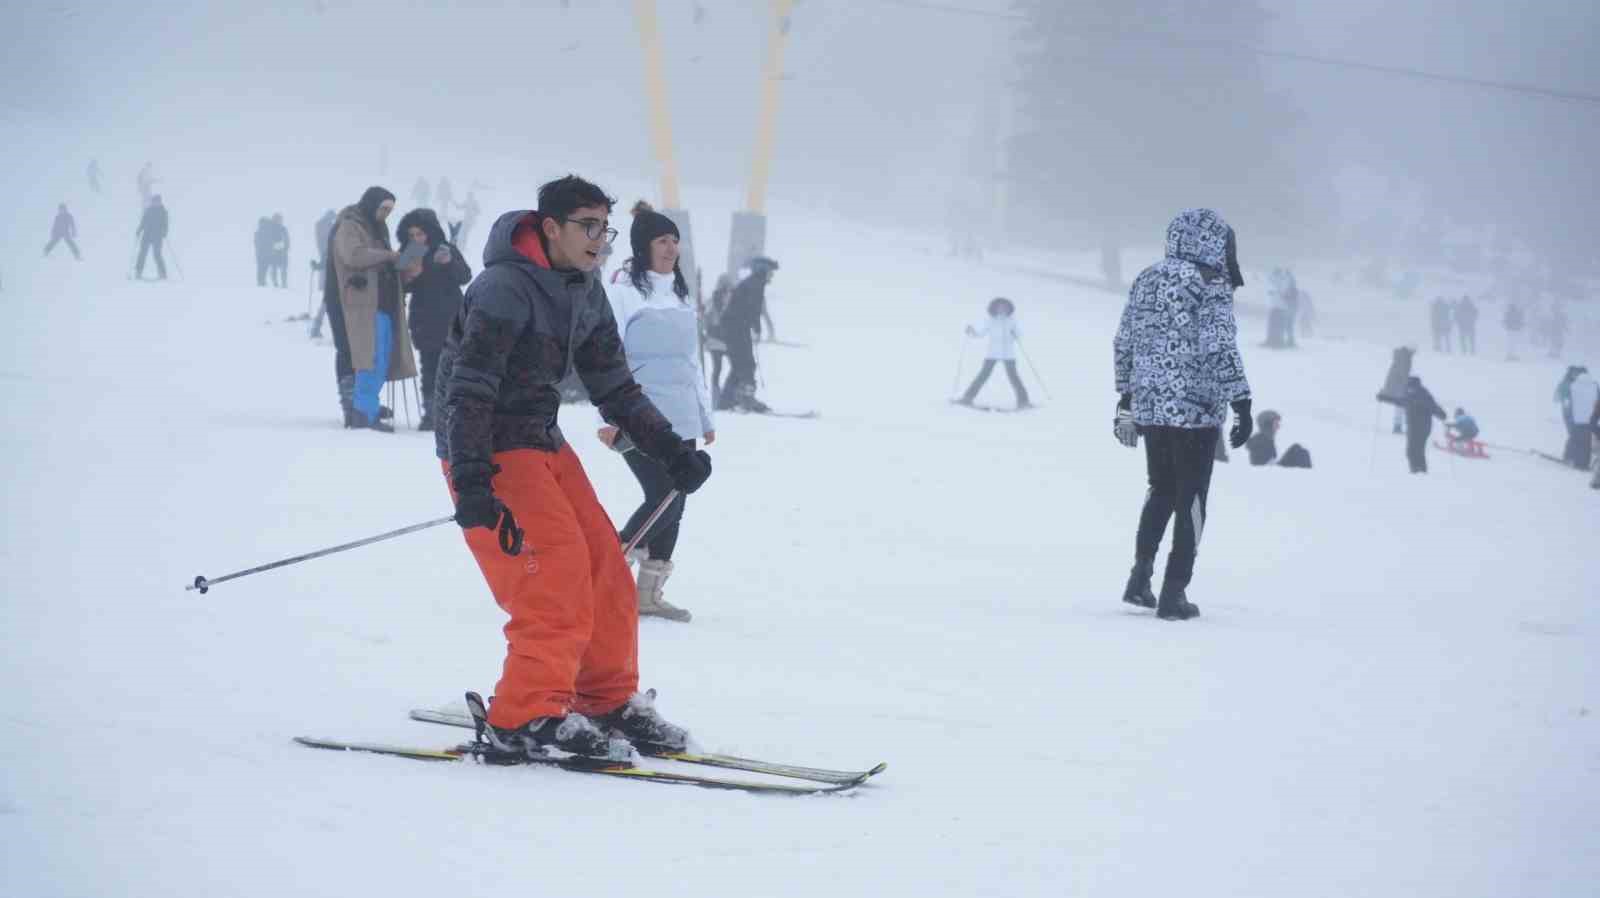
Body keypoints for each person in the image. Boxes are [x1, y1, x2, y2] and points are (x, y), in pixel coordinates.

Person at [435, 174, 712, 761]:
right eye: (588, 226)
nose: (599, 239)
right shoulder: (503, 289)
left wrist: (671, 450)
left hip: (540, 437)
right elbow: (469, 388)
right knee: (554, 572)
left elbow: (614, 385)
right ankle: (525, 714)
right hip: (486, 444)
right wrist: (472, 477)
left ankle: (604, 698)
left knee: (604, 563)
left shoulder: (584, 290)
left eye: (604, 228)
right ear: (551, 227)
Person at [1113, 208, 1252, 621]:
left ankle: (1140, 578)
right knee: (1192, 499)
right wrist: (1241, 401)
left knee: (1160, 489)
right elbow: (1218, 344)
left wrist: (1126, 398)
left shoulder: (1147, 277)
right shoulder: (1211, 282)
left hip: (1150, 407)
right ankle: (1174, 592)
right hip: (1196, 411)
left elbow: (1124, 340)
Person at [599, 201, 716, 623]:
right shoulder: (622, 293)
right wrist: (607, 418)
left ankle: (647, 595)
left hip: (682, 415)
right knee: (661, 494)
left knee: (676, 499)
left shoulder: (682, 296)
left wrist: (704, 417)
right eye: (662, 241)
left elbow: (692, 362)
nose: (671, 248)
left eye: (674, 240)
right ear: (643, 246)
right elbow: (605, 357)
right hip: (639, 414)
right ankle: (601, 576)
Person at [327, 186, 417, 431]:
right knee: (370, 358)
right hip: (364, 305)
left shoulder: (378, 228)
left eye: (390, 210)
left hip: (384, 303)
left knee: (382, 358)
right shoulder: (350, 225)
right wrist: (389, 255)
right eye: (383, 208)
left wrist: (405, 263)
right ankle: (363, 412)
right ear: (371, 203)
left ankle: (369, 406)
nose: (386, 213)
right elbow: (353, 255)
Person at [395, 207, 469, 431]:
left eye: (420, 233)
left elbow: (465, 275)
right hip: (423, 319)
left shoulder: (446, 248)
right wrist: (409, 276)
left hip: (451, 317)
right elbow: (399, 285)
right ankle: (432, 413)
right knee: (429, 366)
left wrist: (449, 263)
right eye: (411, 234)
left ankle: (450, 412)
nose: (416, 238)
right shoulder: (409, 252)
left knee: (452, 366)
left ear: (430, 231)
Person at [716, 256, 779, 412]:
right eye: (770, 272)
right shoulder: (755, 284)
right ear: (763, 270)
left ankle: (726, 401)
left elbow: (751, 309)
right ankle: (744, 398)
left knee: (740, 364)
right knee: (746, 364)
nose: (772, 275)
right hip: (736, 328)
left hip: (736, 328)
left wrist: (754, 328)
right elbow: (753, 308)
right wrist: (757, 329)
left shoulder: (753, 283)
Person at [956, 297, 1031, 409]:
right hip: (992, 353)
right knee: (982, 376)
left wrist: (1015, 334)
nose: (1002, 309)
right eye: (999, 307)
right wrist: (972, 332)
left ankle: (1023, 401)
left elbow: (1019, 335)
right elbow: (980, 333)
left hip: (1008, 354)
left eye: (1004, 307)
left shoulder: (1011, 321)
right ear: (994, 308)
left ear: (1009, 308)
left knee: (1014, 378)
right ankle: (967, 398)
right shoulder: (990, 320)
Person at [1379, 375, 1446, 473]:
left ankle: (1417, 471)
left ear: (1416, 386)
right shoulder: (1409, 395)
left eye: (1410, 387)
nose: (1409, 389)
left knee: (1413, 451)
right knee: (1415, 451)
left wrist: (1441, 414)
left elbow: (1433, 407)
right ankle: (1420, 471)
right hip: (1413, 427)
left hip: (1422, 427)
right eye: (1408, 387)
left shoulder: (1423, 395)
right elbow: (1398, 401)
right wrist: (1384, 398)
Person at [1558, 366, 1598, 469]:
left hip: (1575, 417)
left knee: (1574, 436)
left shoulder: (1573, 385)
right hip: (1589, 418)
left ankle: (1569, 457)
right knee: (1584, 440)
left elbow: (1563, 399)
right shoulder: (1594, 385)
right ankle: (1582, 462)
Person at [308, 209, 337, 339]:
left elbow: (323, 261)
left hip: (333, 279)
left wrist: (316, 265)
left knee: (326, 302)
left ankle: (316, 327)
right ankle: (316, 328)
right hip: (339, 280)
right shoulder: (336, 241)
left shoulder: (330, 243)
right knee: (329, 303)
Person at [703, 273, 733, 398]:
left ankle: (719, 391)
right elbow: (707, 317)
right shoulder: (718, 299)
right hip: (718, 338)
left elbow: (706, 317)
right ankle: (718, 392)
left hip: (721, 338)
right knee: (720, 367)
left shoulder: (726, 297)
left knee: (720, 367)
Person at [135, 195, 169, 280]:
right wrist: (139, 229)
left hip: (157, 236)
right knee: (142, 253)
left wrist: (164, 232)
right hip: (147, 235)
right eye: (154, 201)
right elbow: (143, 221)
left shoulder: (163, 211)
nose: (156, 203)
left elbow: (165, 223)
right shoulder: (148, 210)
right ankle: (138, 272)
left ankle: (162, 273)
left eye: (157, 201)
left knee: (157, 254)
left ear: (160, 202)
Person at [269, 213, 290, 288]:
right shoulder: (271, 229)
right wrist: (272, 246)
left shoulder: (283, 229)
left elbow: (287, 239)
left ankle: (284, 283)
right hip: (274, 252)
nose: (279, 221)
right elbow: (269, 240)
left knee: (283, 268)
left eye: (280, 219)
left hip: (282, 252)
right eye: (278, 219)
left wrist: (286, 247)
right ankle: (275, 283)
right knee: (274, 268)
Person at [254, 217, 274, 286]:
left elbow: (256, 243)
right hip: (265, 253)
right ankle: (261, 281)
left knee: (261, 268)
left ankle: (261, 281)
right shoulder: (267, 232)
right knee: (264, 268)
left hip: (261, 253)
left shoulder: (259, 232)